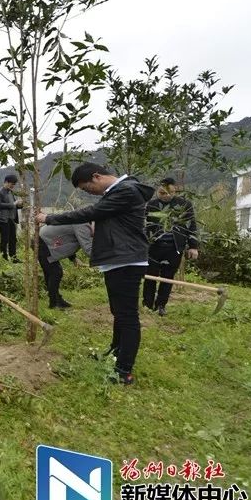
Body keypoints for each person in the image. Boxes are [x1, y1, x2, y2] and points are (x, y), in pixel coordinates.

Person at [35, 163, 154, 385]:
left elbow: (90, 212)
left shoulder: (126, 190)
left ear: (96, 177)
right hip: (119, 259)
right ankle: (115, 354)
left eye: (88, 189)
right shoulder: (119, 193)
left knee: (127, 317)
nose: (90, 193)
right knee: (119, 313)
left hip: (125, 260)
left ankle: (123, 371)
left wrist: (49, 218)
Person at [142, 178, 199, 316]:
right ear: (157, 191)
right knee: (150, 276)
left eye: (170, 192)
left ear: (175, 191)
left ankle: (161, 305)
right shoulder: (150, 205)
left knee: (168, 277)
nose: (166, 196)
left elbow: (191, 226)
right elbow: (143, 225)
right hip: (154, 246)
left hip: (174, 247)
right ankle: (147, 304)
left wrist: (193, 246)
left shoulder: (184, 205)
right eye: (162, 193)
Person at [38, 222, 93, 309]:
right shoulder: (82, 225)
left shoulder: (82, 222)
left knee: (52, 272)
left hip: (44, 239)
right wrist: (106, 258)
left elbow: (67, 240)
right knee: (55, 273)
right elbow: (88, 248)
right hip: (43, 241)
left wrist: (73, 258)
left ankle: (57, 300)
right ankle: (54, 303)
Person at [0, 174, 23, 262]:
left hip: (11, 219)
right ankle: (4, 258)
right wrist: (13, 204)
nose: (13, 186)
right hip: (3, 219)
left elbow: (13, 206)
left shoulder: (10, 192)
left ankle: (14, 258)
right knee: (5, 239)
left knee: (13, 239)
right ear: (6, 182)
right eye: (11, 184)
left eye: (14, 184)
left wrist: (20, 205)